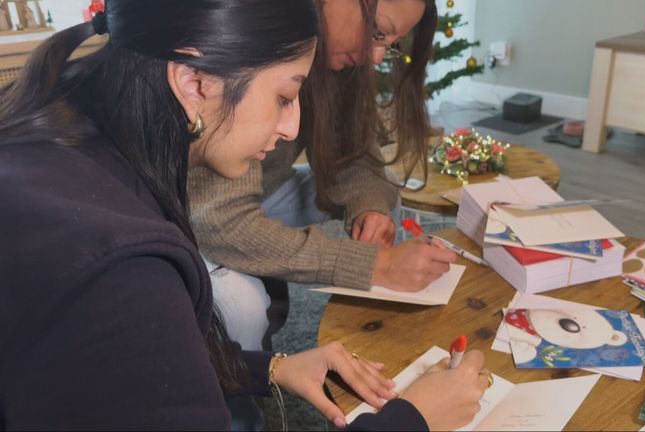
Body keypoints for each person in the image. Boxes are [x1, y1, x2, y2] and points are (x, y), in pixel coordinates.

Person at [0, 0, 490, 430]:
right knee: (243, 301)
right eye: (283, 96)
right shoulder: (127, 273)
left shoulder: (78, 152)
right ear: (193, 83)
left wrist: (265, 368)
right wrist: (415, 420)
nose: (295, 125)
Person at [188, 0, 453, 350]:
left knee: (382, 197)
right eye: (376, 31)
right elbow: (220, 220)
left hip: (260, 189)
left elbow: (352, 156)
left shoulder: (336, 63)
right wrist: (371, 265)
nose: (375, 58)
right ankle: (239, 389)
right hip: (190, 211)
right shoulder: (251, 32)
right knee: (244, 307)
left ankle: (374, 325)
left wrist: (369, 208)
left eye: (390, 46)